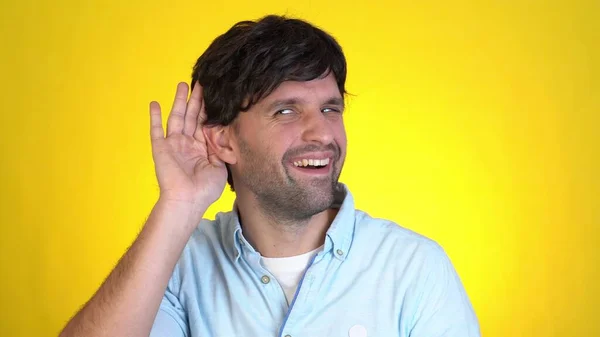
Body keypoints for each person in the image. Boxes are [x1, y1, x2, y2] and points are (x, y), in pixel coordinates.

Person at [59, 15, 480, 337]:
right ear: (224, 142)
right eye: (286, 111)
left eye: (330, 109)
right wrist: (178, 205)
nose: (322, 134)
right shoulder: (177, 266)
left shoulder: (414, 268)